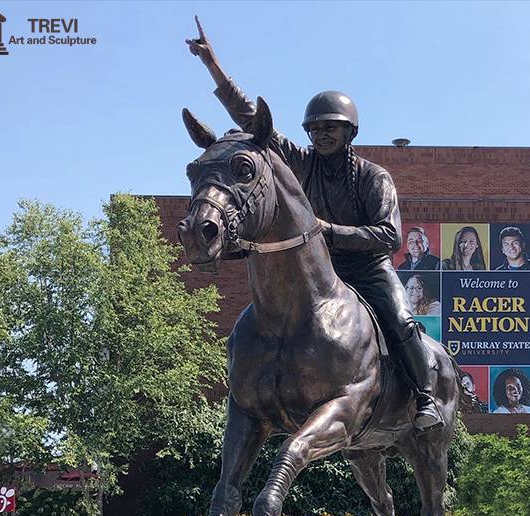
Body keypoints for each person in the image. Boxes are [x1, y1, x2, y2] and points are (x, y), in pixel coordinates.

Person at [186, 18, 442, 431]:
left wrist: (328, 230)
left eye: (331, 128)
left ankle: (424, 397)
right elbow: (251, 120)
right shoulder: (301, 163)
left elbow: (390, 236)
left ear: (349, 131)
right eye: (315, 129)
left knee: (400, 319)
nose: (321, 135)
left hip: (368, 270)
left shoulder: (374, 177)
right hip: (317, 274)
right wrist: (213, 66)